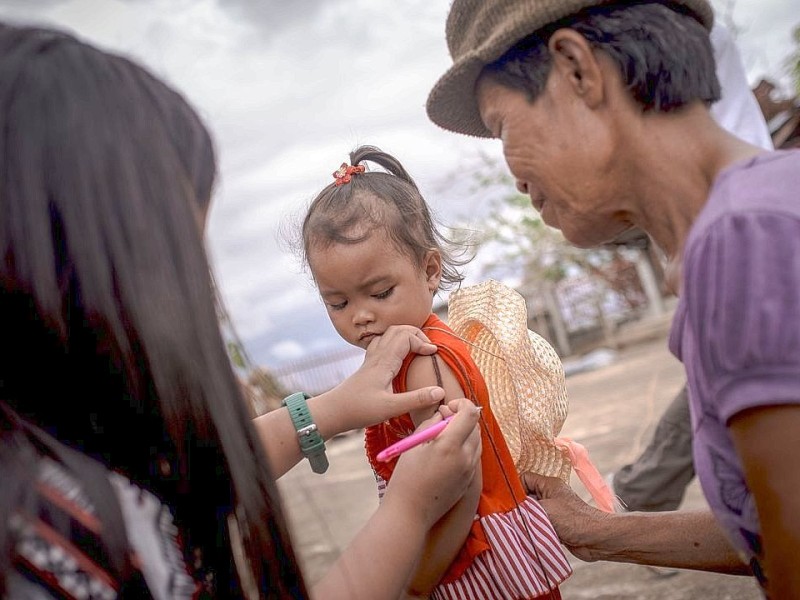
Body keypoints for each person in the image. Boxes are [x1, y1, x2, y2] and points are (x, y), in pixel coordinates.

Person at [0, 23, 483, 600]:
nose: (202, 291)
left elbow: (200, 472)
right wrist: (406, 516)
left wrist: (329, 411)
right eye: (181, 258)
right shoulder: (61, 535)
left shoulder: (49, 483)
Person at [425, 0, 800, 597]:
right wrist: (594, 531)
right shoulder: (769, 201)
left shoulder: (742, 241)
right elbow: (770, 536)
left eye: (501, 128)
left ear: (577, 70)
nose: (515, 177)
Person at [299, 145, 570, 598]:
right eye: (339, 303)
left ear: (429, 270)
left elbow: (456, 482)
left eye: (380, 292)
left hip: (472, 556)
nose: (361, 315)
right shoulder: (406, 350)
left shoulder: (423, 359)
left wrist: (421, 577)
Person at [611, 21, 775, 514]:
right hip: (714, 207)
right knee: (722, 369)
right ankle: (645, 491)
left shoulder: (682, 26)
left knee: (730, 368)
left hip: (725, 203)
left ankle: (644, 491)